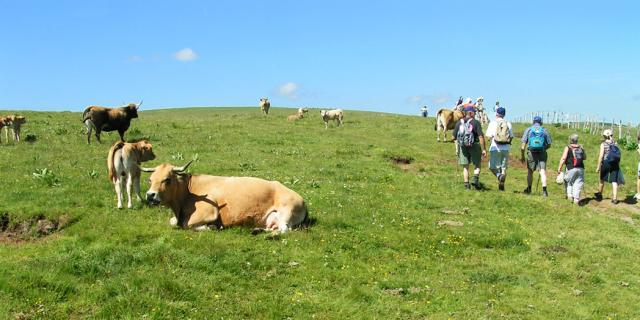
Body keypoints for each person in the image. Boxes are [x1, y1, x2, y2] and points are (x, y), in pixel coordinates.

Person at [452, 106, 487, 190]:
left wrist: (457, 149)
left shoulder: (459, 123)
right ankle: (475, 178)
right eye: (474, 112)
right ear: (471, 113)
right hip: (474, 145)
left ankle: (467, 185)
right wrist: (483, 149)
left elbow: (453, 137)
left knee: (465, 167)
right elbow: (481, 137)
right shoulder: (475, 122)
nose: (475, 114)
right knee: (477, 164)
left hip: (463, 146)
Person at [520, 116, 552, 196]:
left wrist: (522, 156)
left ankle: (529, 189)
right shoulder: (544, 130)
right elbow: (549, 144)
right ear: (541, 122)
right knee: (542, 171)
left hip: (531, 152)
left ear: (533, 122)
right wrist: (544, 148)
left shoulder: (529, 130)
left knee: (530, 171)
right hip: (542, 152)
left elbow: (523, 146)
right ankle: (544, 191)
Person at [485, 107, 513, 191]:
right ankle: (502, 185)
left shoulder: (492, 123)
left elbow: (488, 136)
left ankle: (499, 176)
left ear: (496, 114)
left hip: (495, 148)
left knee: (491, 167)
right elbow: (511, 136)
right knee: (503, 168)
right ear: (504, 115)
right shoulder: (508, 123)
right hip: (505, 148)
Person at [595, 129, 623, 204]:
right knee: (614, 181)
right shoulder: (615, 143)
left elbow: (601, 156)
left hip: (606, 163)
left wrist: (598, 167)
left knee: (602, 179)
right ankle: (614, 199)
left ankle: (599, 194)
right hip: (615, 163)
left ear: (604, 136)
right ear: (611, 135)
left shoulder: (603, 144)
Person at [556, 134, 586, 205]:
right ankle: (576, 200)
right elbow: (584, 157)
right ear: (577, 140)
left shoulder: (568, 147)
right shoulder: (581, 147)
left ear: (570, 140)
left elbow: (563, 158)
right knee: (578, 184)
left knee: (568, 181)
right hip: (580, 168)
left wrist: (559, 168)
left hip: (570, 168)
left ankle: (569, 196)